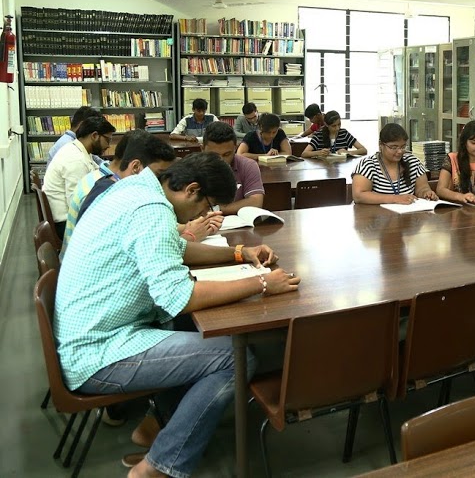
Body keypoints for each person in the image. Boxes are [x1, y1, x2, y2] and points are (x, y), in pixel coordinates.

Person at [55, 153, 298, 478]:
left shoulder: (138, 190)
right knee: (235, 359)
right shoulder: (151, 210)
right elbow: (179, 298)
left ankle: (157, 426)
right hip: (98, 352)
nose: (207, 215)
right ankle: (160, 466)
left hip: (97, 332)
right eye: (206, 207)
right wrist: (263, 282)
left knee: (197, 331)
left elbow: (175, 248)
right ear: (192, 190)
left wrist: (239, 252)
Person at [63, 131, 176, 248]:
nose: (160, 183)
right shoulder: (105, 193)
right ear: (135, 166)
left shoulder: (109, 179)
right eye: (158, 175)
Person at [42, 115, 116, 238]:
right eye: (107, 140)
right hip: (65, 224)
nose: (109, 145)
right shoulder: (76, 160)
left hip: (64, 218)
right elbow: (78, 206)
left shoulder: (77, 149)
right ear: (94, 136)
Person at [352, 123, 437, 205]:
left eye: (403, 147)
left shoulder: (413, 162)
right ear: (381, 145)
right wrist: (396, 199)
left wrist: (426, 193)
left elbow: (422, 188)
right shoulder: (368, 165)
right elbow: (359, 196)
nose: (400, 151)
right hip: (375, 217)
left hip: (407, 216)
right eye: (394, 147)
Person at [202, 121, 264, 214]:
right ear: (202, 149)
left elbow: (256, 201)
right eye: (214, 155)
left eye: (227, 154)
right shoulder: (190, 168)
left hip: (238, 224)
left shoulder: (248, 165)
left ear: (235, 148)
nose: (221, 160)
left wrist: (215, 209)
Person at [301, 110, 367, 158]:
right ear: (326, 124)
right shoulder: (319, 135)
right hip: (322, 167)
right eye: (333, 126)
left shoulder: (344, 133)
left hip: (341, 167)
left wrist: (349, 153)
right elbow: (304, 154)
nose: (337, 128)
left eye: (339, 124)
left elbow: (363, 150)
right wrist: (319, 152)